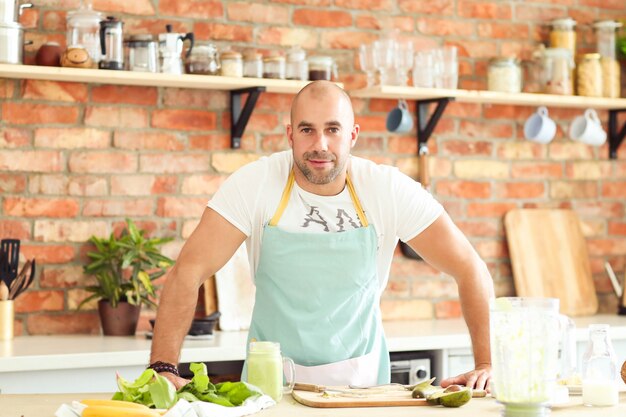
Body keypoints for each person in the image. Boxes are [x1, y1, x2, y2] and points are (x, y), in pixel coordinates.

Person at [149, 80, 494, 391]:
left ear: (353, 135)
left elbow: (469, 267)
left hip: (362, 389)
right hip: (271, 390)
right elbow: (187, 271)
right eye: (307, 130)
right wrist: (163, 367)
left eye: (332, 129)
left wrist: (487, 364)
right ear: (290, 135)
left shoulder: (387, 189)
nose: (320, 144)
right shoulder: (254, 184)